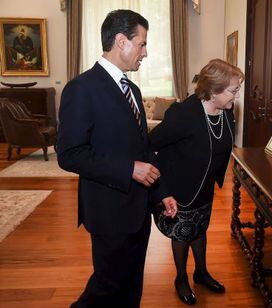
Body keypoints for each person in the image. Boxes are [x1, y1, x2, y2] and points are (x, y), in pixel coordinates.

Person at [57, 9, 177, 308]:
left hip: (139, 210)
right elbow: (69, 154)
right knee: (106, 287)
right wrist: (128, 170)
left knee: (132, 285)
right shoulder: (81, 89)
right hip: (108, 211)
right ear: (122, 41)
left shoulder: (132, 89)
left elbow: (144, 150)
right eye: (142, 44)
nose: (145, 53)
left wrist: (162, 193)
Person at [149, 59, 244, 305]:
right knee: (182, 234)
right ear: (214, 91)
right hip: (180, 187)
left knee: (199, 229)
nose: (237, 95)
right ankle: (181, 278)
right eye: (233, 90)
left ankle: (201, 273)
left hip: (205, 187)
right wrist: (161, 188)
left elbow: (222, 146)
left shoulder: (227, 110)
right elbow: (150, 145)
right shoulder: (184, 114)